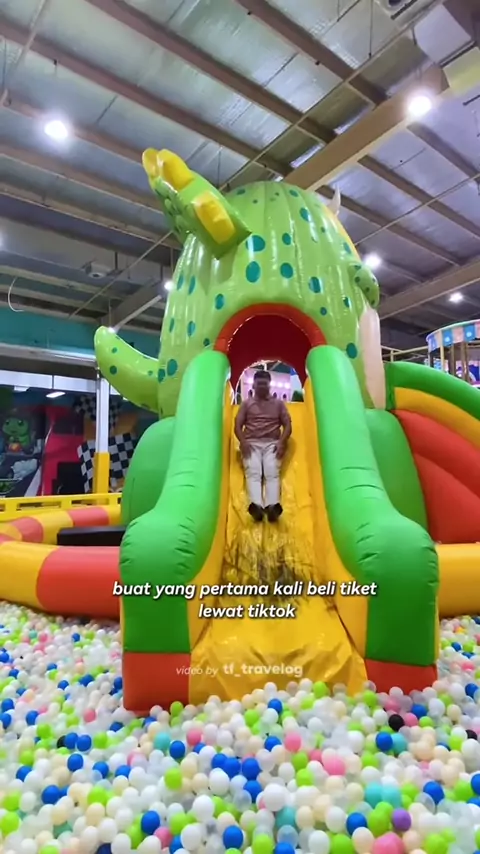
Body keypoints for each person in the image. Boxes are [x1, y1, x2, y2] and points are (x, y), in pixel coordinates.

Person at [234, 369, 292, 522]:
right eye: (258, 384)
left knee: (271, 471)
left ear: (269, 385)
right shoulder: (247, 404)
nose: (261, 387)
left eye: (264, 384)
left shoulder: (278, 404)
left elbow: (287, 425)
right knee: (253, 472)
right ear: (253, 385)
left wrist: (282, 442)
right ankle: (257, 506)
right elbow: (237, 425)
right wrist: (243, 442)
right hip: (251, 443)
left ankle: (272, 506)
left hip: (272, 443)